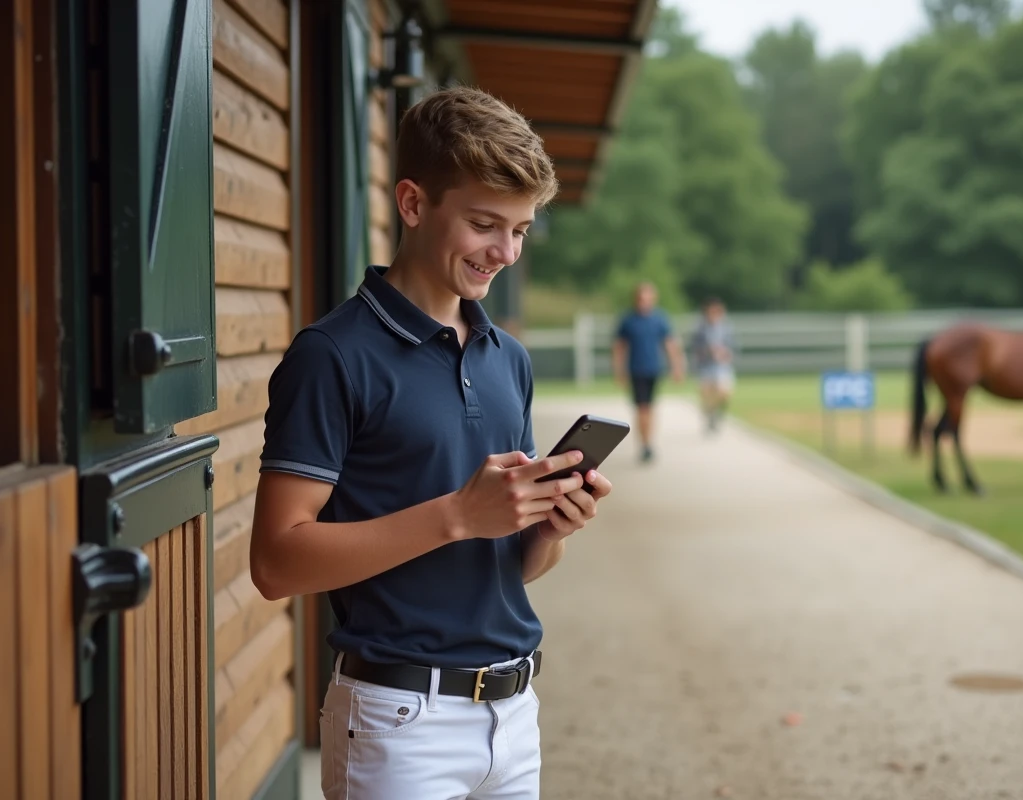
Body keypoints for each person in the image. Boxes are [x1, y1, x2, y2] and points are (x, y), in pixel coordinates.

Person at [249, 86, 613, 800]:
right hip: (397, 723)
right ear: (413, 204)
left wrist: (550, 528)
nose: (505, 252)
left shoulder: (509, 359)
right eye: (484, 224)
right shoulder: (331, 356)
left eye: (521, 229)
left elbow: (511, 568)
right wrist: (458, 515)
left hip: (514, 716)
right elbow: (274, 562)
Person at [611, 282, 686, 462]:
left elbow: (669, 344)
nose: (644, 302)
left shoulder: (659, 319)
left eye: (647, 298)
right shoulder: (628, 320)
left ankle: (648, 441)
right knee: (642, 408)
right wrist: (619, 370)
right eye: (641, 298)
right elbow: (619, 347)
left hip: (654, 369)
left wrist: (677, 367)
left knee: (650, 408)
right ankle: (644, 445)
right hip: (636, 370)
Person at [690, 297, 737, 433]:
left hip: (722, 366)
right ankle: (710, 416)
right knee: (706, 394)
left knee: (724, 393)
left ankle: (717, 414)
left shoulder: (726, 328)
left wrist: (725, 353)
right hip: (706, 366)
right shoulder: (701, 329)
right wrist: (708, 351)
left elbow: (734, 347)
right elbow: (695, 348)